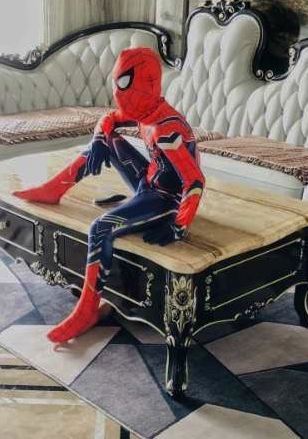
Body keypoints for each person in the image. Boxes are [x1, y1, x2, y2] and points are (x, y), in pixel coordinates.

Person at [13, 47, 204, 343]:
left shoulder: (167, 129)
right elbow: (109, 119)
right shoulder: (146, 112)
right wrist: (99, 139)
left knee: (100, 228)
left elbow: (194, 181)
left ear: (147, 84)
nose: (119, 93)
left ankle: (88, 308)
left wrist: (179, 225)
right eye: (118, 84)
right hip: (148, 180)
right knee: (105, 141)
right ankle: (55, 188)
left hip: (166, 198)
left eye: (125, 84)